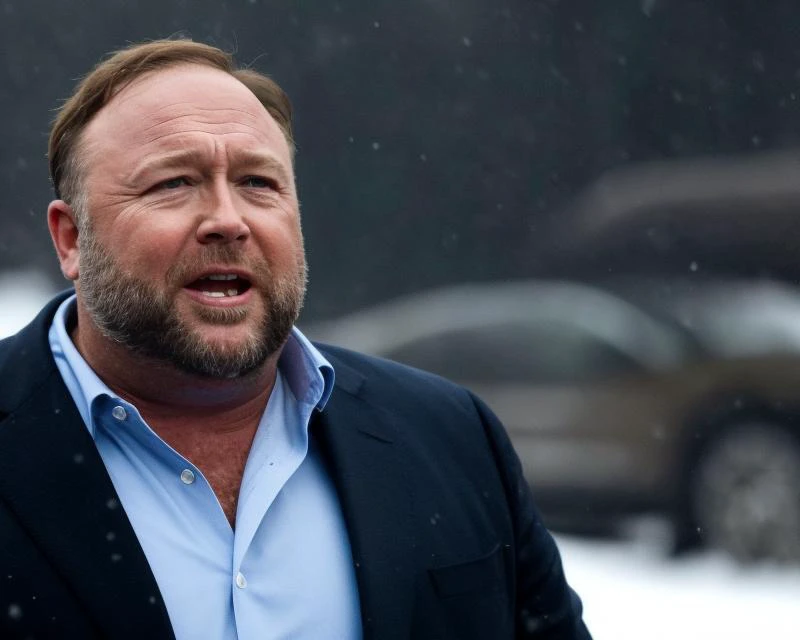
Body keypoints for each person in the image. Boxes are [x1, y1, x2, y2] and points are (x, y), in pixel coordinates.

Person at [0, 39, 592, 640]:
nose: (229, 220)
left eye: (259, 182)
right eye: (174, 183)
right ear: (71, 239)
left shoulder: (451, 436)